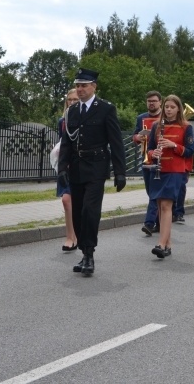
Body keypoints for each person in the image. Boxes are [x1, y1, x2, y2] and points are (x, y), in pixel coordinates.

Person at [57, 68, 126, 277]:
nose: (80, 89)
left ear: (93, 86)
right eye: (77, 85)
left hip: (96, 167)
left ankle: (89, 254)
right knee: (77, 213)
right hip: (77, 167)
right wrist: (61, 169)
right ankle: (83, 250)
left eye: (84, 85)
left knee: (90, 211)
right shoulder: (72, 112)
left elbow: (116, 142)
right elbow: (67, 143)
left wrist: (120, 172)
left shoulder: (105, 109)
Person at [147, 95, 194, 259]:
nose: (168, 110)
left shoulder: (186, 127)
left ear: (178, 109)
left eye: (172, 107)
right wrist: (154, 153)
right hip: (158, 169)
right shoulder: (156, 126)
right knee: (160, 205)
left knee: (167, 205)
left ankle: (160, 243)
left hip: (175, 170)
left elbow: (190, 150)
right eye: (166, 106)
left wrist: (174, 145)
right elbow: (149, 149)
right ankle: (168, 244)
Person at [132, 91, 162, 236]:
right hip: (146, 158)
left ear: (160, 102)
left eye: (154, 101)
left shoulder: (165, 117)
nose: (151, 103)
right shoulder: (141, 118)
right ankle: (160, 222)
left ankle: (149, 223)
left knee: (155, 193)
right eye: (149, 101)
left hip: (161, 159)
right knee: (151, 192)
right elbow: (135, 135)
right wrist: (138, 137)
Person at [56, 89, 80, 251]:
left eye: (75, 100)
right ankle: (70, 236)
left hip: (81, 165)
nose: (71, 102)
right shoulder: (62, 121)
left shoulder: (87, 119)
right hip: (66, 166)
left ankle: (78, 235)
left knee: (79, 203)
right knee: (66, 200)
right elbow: (62, 142)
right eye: (69, 100)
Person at [171, 106, 194, 225]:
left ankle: (179, 212)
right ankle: (172, 211)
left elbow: (193, 146)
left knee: (181, 188)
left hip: (184, 162)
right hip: (171, 163)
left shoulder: (187, 128)